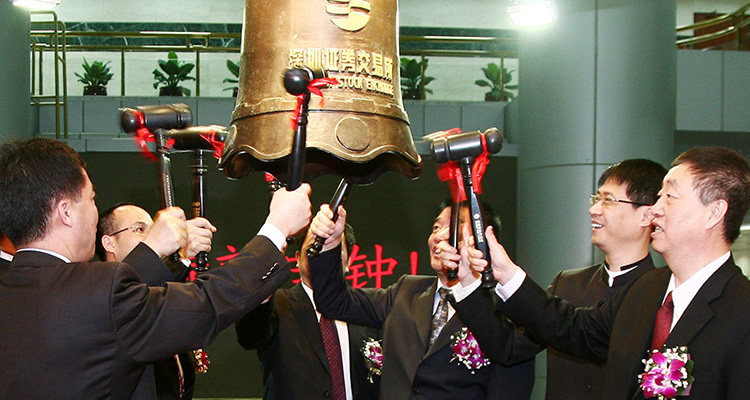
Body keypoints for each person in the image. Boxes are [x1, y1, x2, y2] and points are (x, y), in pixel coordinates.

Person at [0, 137, 312, 399]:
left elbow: (105, 305)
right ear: (66, 212)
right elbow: (205, 303)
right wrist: (277, 228)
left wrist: (155, 251)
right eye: (91, 199)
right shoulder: (99, 291)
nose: (95, 213)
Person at [460, 147, 750, 399]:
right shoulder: (647, 289)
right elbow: (574, 330)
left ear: (714, 213)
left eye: (670, 197)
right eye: (658, 196)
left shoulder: (741, 311)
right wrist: (506, 273)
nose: (655, 210)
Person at [444, 159, 667, 400]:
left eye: (608, 200)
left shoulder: (661, 293)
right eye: (596, 199)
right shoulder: (569, 284)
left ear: (647, 215)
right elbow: (509, 348)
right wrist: (467, 281)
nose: (594, 210)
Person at [308, 201, 535, 400]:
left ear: (484, 243)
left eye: (452, 228)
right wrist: (330, 244)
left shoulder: (505, 313)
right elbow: (334, 301)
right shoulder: (406, 291)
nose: (439, 235)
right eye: (436, 227)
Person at [235, 224, 380, 400]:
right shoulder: (278, 304)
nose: (322, 259)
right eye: (315, 249)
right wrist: (263, 290)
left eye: (332, 252)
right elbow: (250, 337)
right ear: (297, 258)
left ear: (348, 262)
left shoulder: (364, 308)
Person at [96, 203, 217, 400]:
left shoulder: (155, 292)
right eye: (139, 229)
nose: (154, 235)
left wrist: (184, 256)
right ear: (109, 243)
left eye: (154, 229)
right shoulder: (97, 295)